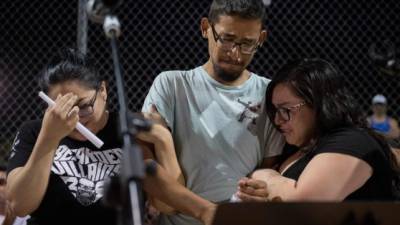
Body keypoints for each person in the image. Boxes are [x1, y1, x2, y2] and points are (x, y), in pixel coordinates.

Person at [6, 49, 215, 225]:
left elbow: (167, 206)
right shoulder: (34, 131)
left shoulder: (127, 127)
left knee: (144, 165)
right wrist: (49, 137)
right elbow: (19, 205)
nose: (76, 118)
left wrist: (163, 140)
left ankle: (209, 211)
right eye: (62, 108)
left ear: (103, 90)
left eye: (85, 106)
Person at [142, 0, 284, 224]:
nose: (235, 54)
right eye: (226, 40)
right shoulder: (172, 85)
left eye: (248, 44)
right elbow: (161, 200)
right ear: (205, 28)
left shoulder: (270, 94)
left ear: (262, 39)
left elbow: (268, 177)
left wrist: (260, 193)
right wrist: (210, 213)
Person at [236, 58, 400, 202]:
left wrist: (266, 176)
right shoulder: (300, 147)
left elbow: (306, 204)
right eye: (275, 111)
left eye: (286, 110)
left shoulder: (353, 140)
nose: (278, 120)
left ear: (319, 104)